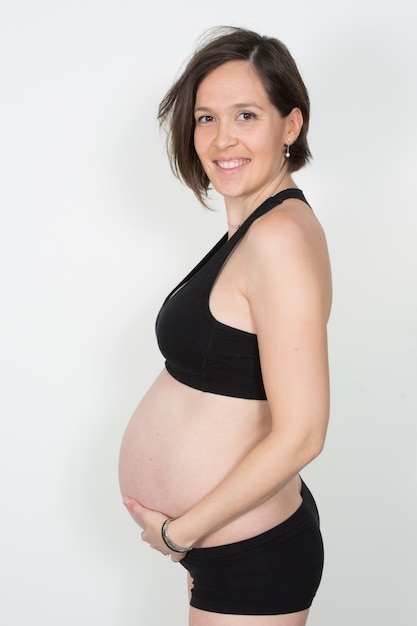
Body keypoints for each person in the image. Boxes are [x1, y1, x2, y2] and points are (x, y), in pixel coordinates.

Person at [119, 26, 332, 626]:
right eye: (206, 118)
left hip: (244, 554)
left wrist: (183, 531)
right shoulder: (256, 230)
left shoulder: (280, 238)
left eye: (245, 114)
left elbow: (303, 434)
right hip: (225, 545)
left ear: (290, 126)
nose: (222, 138)